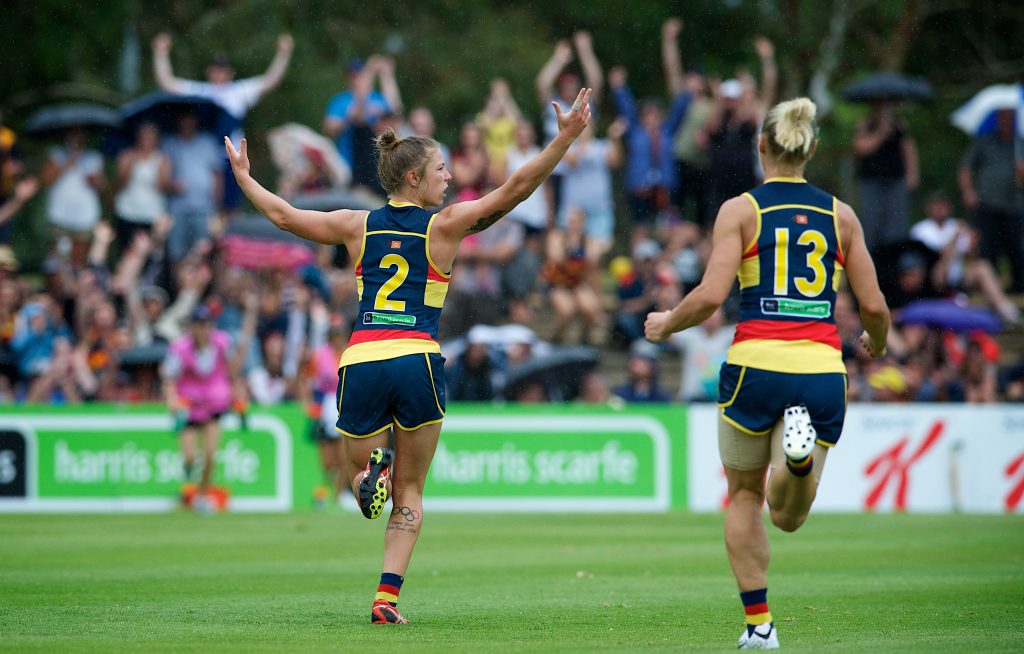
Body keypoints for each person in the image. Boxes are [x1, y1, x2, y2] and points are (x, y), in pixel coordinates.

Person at [224, 87, 593, 625]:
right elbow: (515, 190)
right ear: (413, 178)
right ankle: (386, 599)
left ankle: (368, 477)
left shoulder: (355, 224)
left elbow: (284, 216)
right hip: (417, 357)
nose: (449, 177)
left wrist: (243, 178)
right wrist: (563, 140)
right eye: (441, 169)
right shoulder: (445, 227)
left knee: (356, 479)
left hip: (363, 358)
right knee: (412, 491)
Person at [644, 97, 890, 649]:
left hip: (755, 365)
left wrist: (666, 325)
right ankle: (797, 463)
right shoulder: (840, 215)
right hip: (822, 369)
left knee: (746, 498)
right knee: (790, 516)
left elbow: (711, 296)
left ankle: (760, 625)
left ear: (762, 146)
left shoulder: (741, 210)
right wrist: (877, 340)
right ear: (812, 148)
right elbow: (873, 306)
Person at [152, 31, 294, 211]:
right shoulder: (201, 92)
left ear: (230, 73)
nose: (219, 74)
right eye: (216, 70)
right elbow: (168, 84)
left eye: (223, 70)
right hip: (206, 159)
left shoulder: (238, 92)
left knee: (231, 206)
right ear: (209, 72)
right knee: (208, 207)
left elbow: (270, 81)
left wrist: (283, 53)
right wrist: (160, 53)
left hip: (231, 159)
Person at [161, 301, 254, 509]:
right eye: (198, 324)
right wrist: (171, 401)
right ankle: (189, 473)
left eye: (206, 324)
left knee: (211, 454)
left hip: (214, 404)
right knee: (190, 457)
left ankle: (203, 495)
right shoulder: (180, 348)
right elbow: (169, 378)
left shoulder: (221, 343)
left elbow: (232, 372)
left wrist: (239, 396)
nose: (203, 329)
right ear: (192, 326)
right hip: (189, 407)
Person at [958, 108, 1024, 292]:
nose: (1006, 120)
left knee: (1016, 247)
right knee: (988, 248)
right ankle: (990, 288)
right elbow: (965, 168)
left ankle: (1018, 288)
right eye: (1003, 116)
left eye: (1010, 116)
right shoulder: (984, 141)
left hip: (1014, 204)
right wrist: (968, 191)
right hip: (987, 203)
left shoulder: (1020, 143)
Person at [852, 101, 919, 251]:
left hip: (895, 181)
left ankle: (894, 263)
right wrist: (881, 133)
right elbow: (861, 147)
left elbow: (908, 149)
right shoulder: (865, 124)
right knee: (871, 223)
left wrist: (912, 175)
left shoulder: (900, 125)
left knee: (896, 226)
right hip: (871, 181)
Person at [113, 123, 171, 251]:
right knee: (127, 250)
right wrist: (131, 164)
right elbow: (120, 183)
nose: (147, 142)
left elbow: (162, 186)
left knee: (151, 252)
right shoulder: (127, 155)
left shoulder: (162, 159)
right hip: (127, 212)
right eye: (144, 138)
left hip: (151, 213)